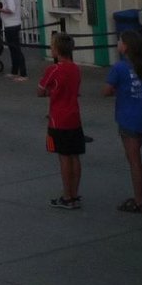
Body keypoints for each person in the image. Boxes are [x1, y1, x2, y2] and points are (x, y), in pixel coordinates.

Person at [103, 30, 142, 213]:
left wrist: (119, 91)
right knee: (135, 157)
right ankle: (140, 197)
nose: (118, 44)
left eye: (120, 41)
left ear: (126, 46)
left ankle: (140, 201)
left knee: (134, 160)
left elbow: (106, 91)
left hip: (128, 117)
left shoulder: (119, 68)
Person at [39, 32, 85, 210]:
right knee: (75, 155)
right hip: (74, 117)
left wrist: (52, 92)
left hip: (58, 119)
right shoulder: (75, 68)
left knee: (63, 157)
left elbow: (40, 91)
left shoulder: (54, 69)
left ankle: (67, 196)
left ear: (57, 50)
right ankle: (74, 194)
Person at [0, 0, 27, 81]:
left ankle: (23, 74)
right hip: (16, 22)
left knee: (15, 49)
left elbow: (11, 9)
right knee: (15, 49)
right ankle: (15, 71)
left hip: (10, 24)